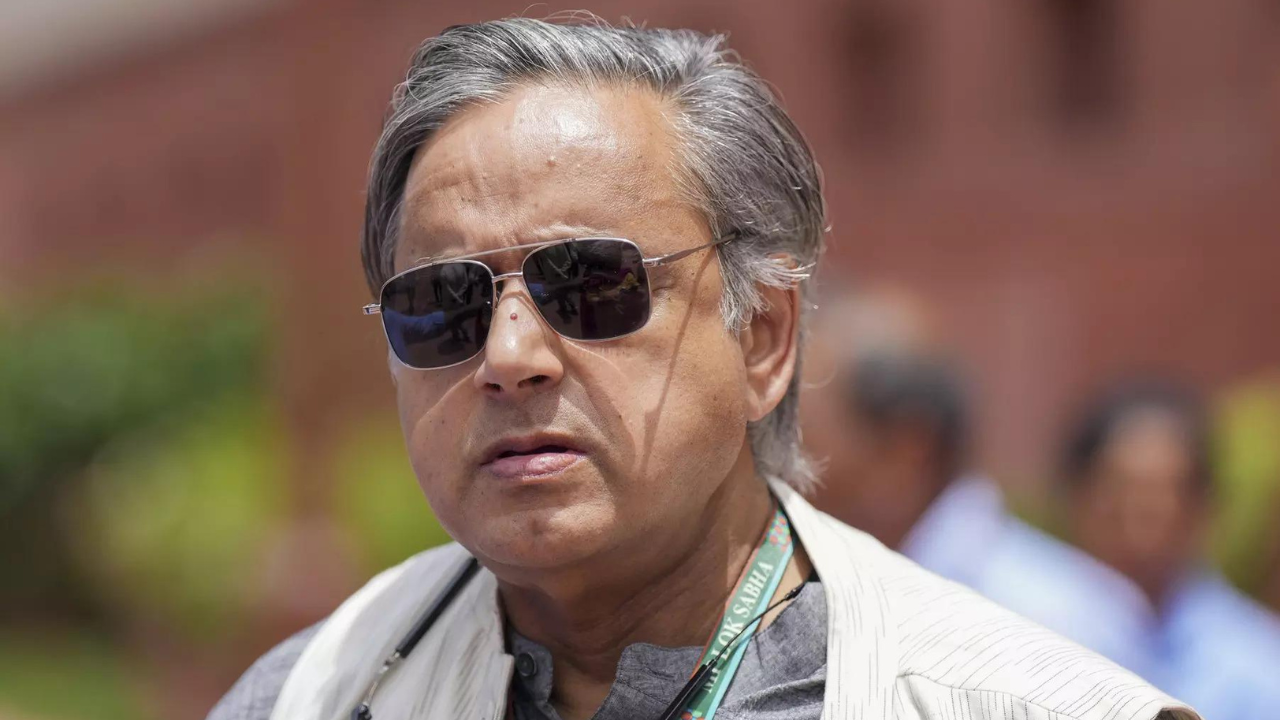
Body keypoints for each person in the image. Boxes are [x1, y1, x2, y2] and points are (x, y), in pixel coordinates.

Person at [209, 18, 1196, 720]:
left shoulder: (1007, 702)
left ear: (762, 337)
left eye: (589, 284)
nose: (508, 357)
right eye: (443, 303)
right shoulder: (312, 695)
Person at [802, 289, 1156, 670]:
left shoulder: (1060, 625)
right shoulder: (832, 590)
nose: (776, 462)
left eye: (801, 435)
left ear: (903, 453)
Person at [1062, 381, 1280, 720]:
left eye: (1157, 504)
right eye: (1120, 496)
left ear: (1204, 507)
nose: (1138, 528)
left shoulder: (1260, 664)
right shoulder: (1031, 621)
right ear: (1078, 498)